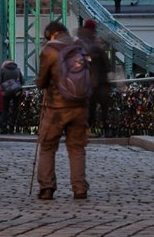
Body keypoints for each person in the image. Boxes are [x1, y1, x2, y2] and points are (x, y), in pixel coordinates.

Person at [36, 20, 89, 200]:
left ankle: (47, 188)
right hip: (80, 107)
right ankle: (80, 188)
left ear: (51, 34)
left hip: (56, 108)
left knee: (47, 147)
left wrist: (44, 83)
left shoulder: (50, 51)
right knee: (76, 148)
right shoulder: (79, 47)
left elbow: (41, 81)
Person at [77, 19, 111, 136]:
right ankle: (98, 128)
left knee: (95, 106)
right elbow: (107, 65)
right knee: (98, 106)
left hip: (94, 82)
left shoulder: (84, 43)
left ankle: (93, 128)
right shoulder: (92, 44)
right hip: (95, 81)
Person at [0, 58, 24, 133]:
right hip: (16, 92)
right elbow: (22, 81)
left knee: (5, 109)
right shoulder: (18, 69)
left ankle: (3, 127)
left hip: (6, 92)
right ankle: (12, 126)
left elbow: (1, 82)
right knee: (15, 109)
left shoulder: (3, 70)